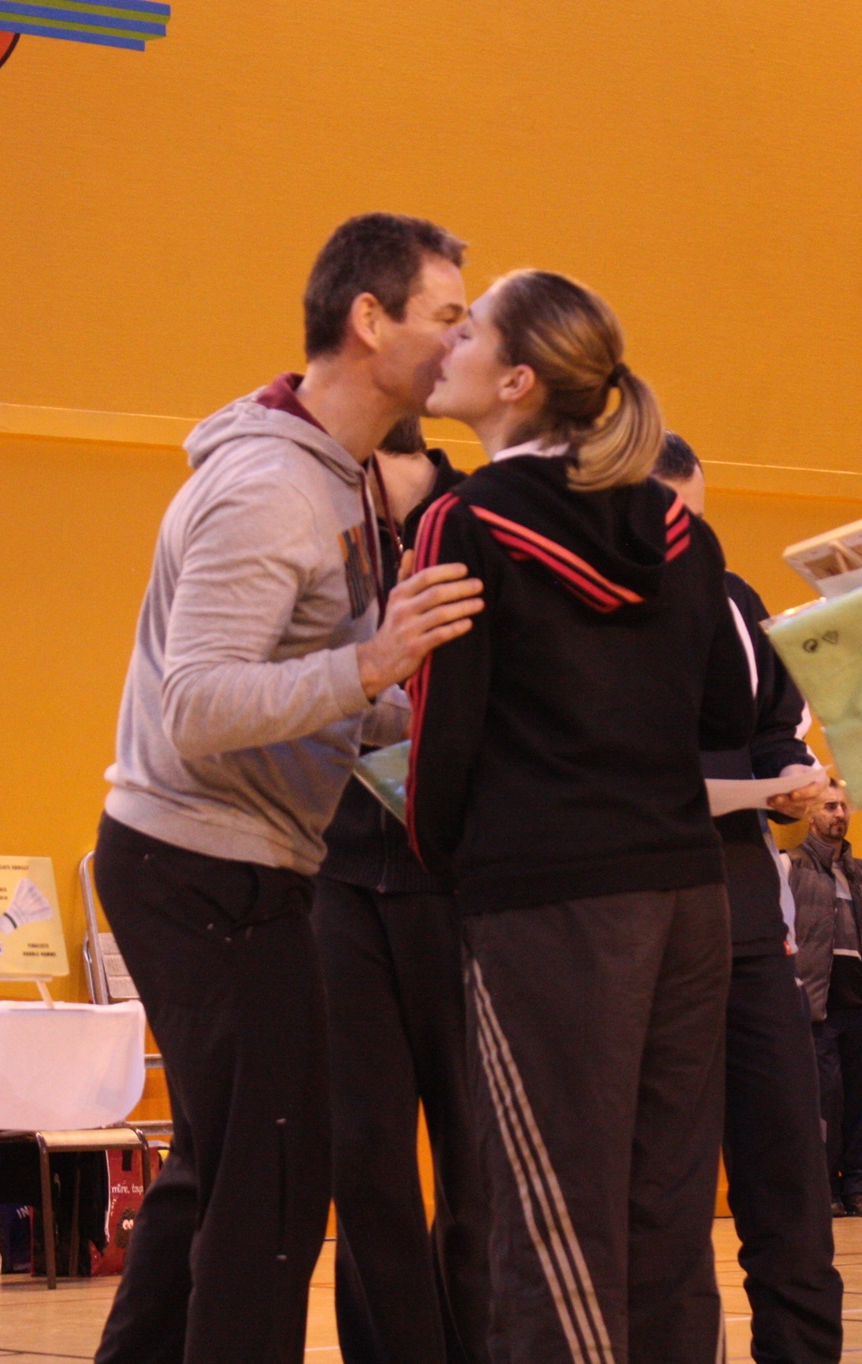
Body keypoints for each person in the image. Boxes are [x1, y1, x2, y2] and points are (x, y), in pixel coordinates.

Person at [93, 212, 483, 1364]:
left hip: (237, 862)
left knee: (223, 1172)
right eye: (446, 318)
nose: (461, 345)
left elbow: (316, 692)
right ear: (370, 319)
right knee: (269, 1190)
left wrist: (427, 715)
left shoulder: (337, 475)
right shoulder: (269, 487)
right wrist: (373, 663)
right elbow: (199, 704)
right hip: (199, 865)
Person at [407, 269, 754, 1362]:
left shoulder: (462, 520)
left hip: (544, 903)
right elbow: (730, 709)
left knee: (551, 1213)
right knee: (664, 1210)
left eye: (468, 330)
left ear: (517, 380)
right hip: (687, 895)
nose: (447, 344)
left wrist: (446, 864)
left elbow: (438, 735)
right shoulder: (676, 526)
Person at [654, 433, 845, 1363]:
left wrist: (793, 778)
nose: (686, 540)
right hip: (640, 924)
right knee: (668, 1188)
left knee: (790, 1177)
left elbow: (773, 727)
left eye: (698, 519)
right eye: (667, 519)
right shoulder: (588, 611)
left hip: (747, 924)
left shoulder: (734, 600)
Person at [312, 416, 488, 1364]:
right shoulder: (320, 536)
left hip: (457, 882)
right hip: (337, 875)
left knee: (476, 1153)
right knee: (366, 1151)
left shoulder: (479, 521)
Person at [790, 779, 862, 1222]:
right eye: (830, 806)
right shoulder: (793, 866)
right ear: (810, 814)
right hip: (819, 1004)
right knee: (825, 1101)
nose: (839, 815)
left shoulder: (861, 872)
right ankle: (825, 1189)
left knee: (861, 1102)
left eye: (843, 807)